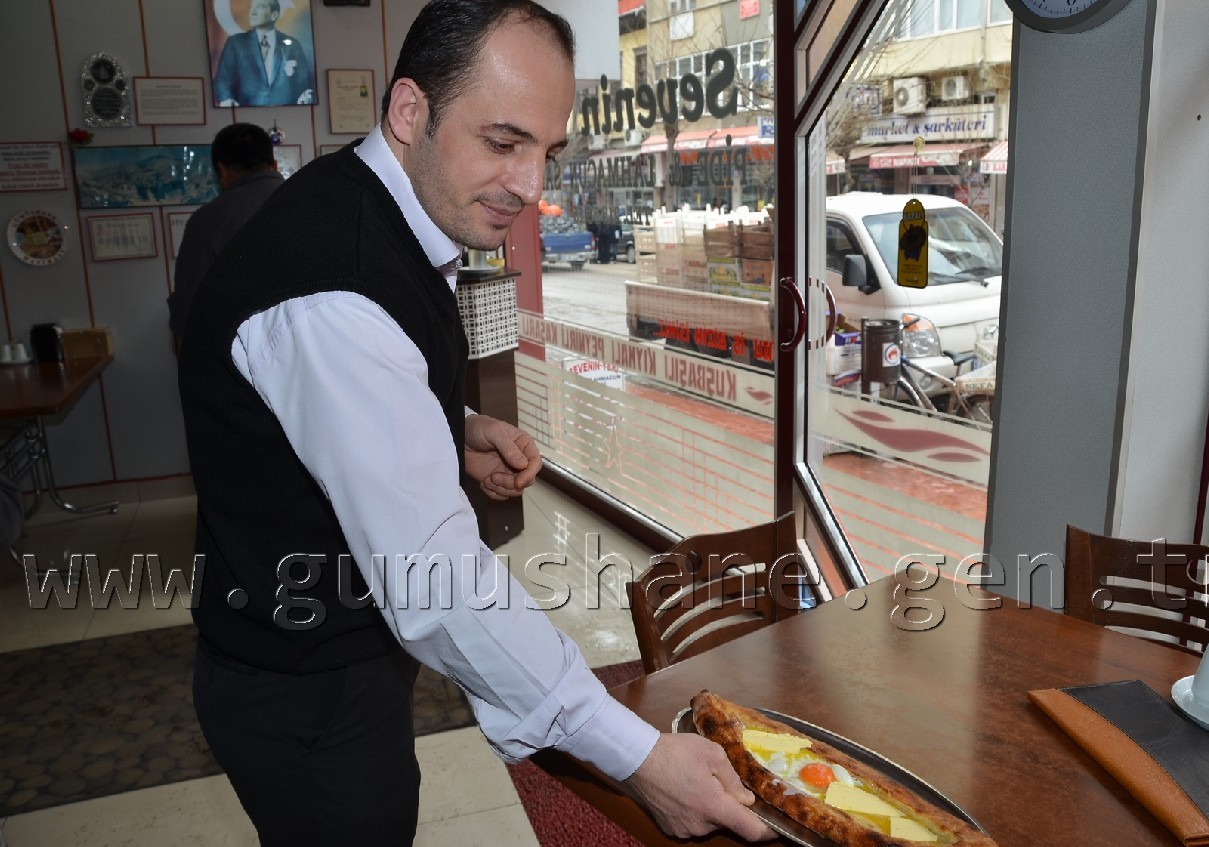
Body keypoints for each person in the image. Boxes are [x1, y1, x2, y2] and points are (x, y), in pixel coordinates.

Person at [177, 2, 773, 846]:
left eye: (547, 151)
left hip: (345, 641)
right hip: (299, 685)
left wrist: (448, 425)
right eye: (503, 142)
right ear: (411, 111)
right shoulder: (334, 286)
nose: (532, 187)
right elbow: (434, 578)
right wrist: (635, 754)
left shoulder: (376, 207)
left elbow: (332, 397)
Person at [167, 123, 283, 341]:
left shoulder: (210, 220)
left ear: (222, 169)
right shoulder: (313, 203)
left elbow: (189, 309)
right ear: (274, 165)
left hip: (240, 355)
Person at [212, 0, 315, 107]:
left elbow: (303, 83)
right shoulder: (236, 44)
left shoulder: (292, 45)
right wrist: (226, 99)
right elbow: (222, 80)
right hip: (246, 113)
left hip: (288, 114)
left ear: (274, 15)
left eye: (260, 7)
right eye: (252, 7)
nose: (253, 12)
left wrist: (306, 99)